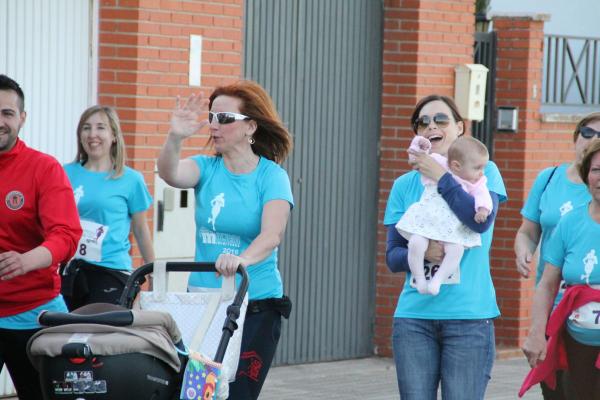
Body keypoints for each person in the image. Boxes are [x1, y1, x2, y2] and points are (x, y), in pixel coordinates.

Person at [157, 80, 294, 400]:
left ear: (250, 127)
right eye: (212, 117)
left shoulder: (271, 176)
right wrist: (175, 137)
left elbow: (271, 235)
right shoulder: (205, 168)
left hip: (256, 304)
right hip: (205, 303)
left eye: (225, 119)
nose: (215, 125)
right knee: (199, 393)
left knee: (236, 394)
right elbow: (170, 173)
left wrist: (242, 259)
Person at [384, 94, 507, 399]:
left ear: (460, 128)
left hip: (469, 318)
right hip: (414, 318)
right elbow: (393, 256)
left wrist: (442, 177)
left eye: (440, 120)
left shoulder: (483, 171)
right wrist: (425, 251)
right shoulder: (404, 185)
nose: (430, 126)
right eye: (422, 122)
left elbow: (479, 222)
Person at [0, 74, 82, 399]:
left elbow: (66, 235)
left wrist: (25, 261)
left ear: (22, 118)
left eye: (7, 113)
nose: (0, 121)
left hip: (33, 312)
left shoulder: (43, 169)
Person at [514, 113, 600, 399]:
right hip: (561, 318)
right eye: (588, 132)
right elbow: (529, 234)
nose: (594, 139)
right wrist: (524, 249)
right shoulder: (552, 183)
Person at [61, 105, 155, 310]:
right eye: (86, 128)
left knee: (100, 336)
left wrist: (153, 270)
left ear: (114, 135)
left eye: (100, 128)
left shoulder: (130, 179)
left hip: (110, 272)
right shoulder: (63, 173)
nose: (92, 134)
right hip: (69, 272)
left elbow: (140, 229)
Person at [396, 135, 492, 295]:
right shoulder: (440, 163)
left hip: (452, 226)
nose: (482, 173)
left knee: (456, 250)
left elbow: (483, 196)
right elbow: (417, 157)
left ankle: (437, 280)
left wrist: (483, 209)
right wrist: (420, 144)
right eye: (477, 168)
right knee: (415, 243)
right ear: (456, 165)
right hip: (428, 217)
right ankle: (420, 278)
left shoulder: (477, 181)